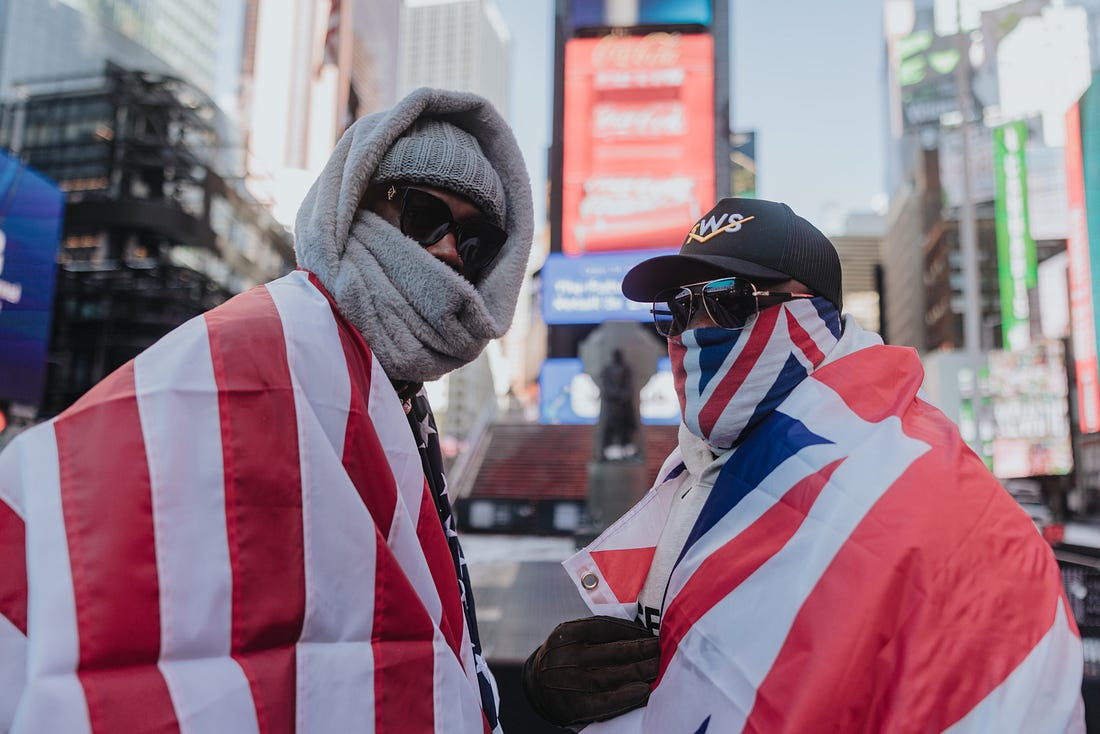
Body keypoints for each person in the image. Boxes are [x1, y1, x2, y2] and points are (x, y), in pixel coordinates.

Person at [0, 87, 532, 733]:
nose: (449, 253)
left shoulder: (399, 398)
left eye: (475, 242)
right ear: (355, 202)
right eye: (424, 215)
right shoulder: (264, 345)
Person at [523, 197, 1084, 732]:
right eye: (679, 307)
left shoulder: (933, 501)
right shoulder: (698, 465)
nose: (694, 330)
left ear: (815, 312)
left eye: (727, 300)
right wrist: (564, 691)